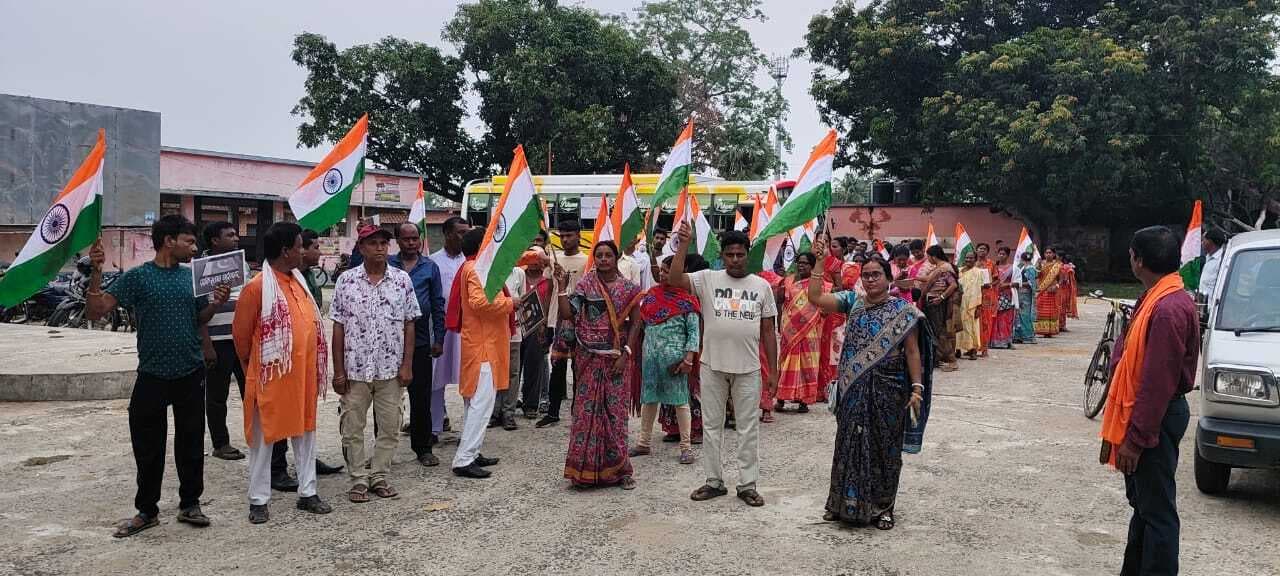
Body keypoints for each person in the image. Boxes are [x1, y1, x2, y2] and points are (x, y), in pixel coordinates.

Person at [87, 215, 229, 537]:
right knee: (148, 446)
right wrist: (96, 273)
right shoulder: (138, 278)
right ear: (169, 241)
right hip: (152, 374)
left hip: (190, 373)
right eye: (189, 241)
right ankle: (147, 511)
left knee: (191, 441)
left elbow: (199, 318)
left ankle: (190, 504)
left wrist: (215, 305)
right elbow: (97, 310)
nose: (194, 248)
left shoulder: (191, 278)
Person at [806, 244, 932, 530]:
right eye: (866, 275)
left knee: (884, 449)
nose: (871, 279)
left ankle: (884, 507)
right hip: (854, 389)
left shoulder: (903, 311)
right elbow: (815, 297)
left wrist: (917, 388)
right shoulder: (853, 301)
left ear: (889, 278)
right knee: (848, 443)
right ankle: (841, 503)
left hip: (890, 390)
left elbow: (913, 352)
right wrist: (819, 262)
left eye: (877, 274)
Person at [1101, 226, 1198, 575]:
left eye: (1131, 254)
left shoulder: (1168, 308)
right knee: (1143, 506)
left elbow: (1158, 381)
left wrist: (1137, 439)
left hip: (1153, 418)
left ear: (1139, 260)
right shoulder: (1156, 297)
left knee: (1157, 513)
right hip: (1147, 414)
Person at [668, 224, 778, 508]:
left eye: (740, 254)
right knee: (712, 426)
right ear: (722, 256)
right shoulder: (707, 279)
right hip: (712, 366)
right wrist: (683, 244)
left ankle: (747, 485)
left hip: (749, 369)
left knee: (748, 428)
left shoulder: (761, 286)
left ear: (748, 255)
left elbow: (768, 331)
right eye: (730, 254)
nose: (736, 259)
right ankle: (714, 482)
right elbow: (675, 277)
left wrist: (774, 372)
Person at [232, 223, 333, 523]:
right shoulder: (258, 287)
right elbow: (241, 338)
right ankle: (258, 500)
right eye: (301, 246)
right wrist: (255, 372)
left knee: (306, 435)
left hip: (303, 378)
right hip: (271, 379)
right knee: (264, 440)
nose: (304, 251)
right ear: (286, 251)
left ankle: (308, 492)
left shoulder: (298, 281)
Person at [331, 224, 420, 503]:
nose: (380, 247)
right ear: (361, 248)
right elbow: (338, 327)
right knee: (352, 427)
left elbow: (409, 324)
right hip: (355, 370)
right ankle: (358, 479)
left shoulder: (402, 280)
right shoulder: (346, 281)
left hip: (390, 369)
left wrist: (407, 364)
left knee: (390, 425)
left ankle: (379, 475)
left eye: (384, 243)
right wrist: (339, 371)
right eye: (373, 243)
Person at [553, 240, 642, 489]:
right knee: (586, 415)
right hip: (588, 358)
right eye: (599, 255)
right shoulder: (585, 285)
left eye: (608, 255)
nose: (603, 259)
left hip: (617, 359)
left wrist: (626, 354)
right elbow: (568, 314)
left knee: (615, 416)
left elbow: (636, 324)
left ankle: (621, 472)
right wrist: (561, 287)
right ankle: (584, 473)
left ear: (616, 258)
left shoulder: (629, 289)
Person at [449, 228, 514, 478]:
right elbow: (480, 303)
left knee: (473, 403)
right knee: (480, 404)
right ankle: (464, 459)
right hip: (483, 348)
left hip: (482, 345)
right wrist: (512, 304)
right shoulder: (477, 268)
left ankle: (472, 452)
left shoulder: (475, 267)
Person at [632, 254, 705, 465]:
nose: (662, 274)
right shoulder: (652, 296)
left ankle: (686, 447)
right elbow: (643, 325)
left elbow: (693, 333)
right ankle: (644, 443)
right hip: (651, 358)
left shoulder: (688, 299)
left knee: (681, 402)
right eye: (662, 270)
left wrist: (689, 359)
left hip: (676, 361)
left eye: (667, 270)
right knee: (649, 399)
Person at [389, 223, 446, 467]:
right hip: (390, 343)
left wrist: (439, 338)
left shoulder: (430, 267)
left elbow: (437, 304)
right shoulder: (388, 265)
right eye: (406, 239)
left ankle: (423, 447)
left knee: (420, 397)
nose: (411, 243)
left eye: (415, 238)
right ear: (398, 241)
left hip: (422, 342)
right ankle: (384, 451)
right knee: (387, 399)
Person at [200, 221, 250, 462]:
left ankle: (257, 436)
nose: (236, 239)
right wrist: (206, 345)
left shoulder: (242, 267)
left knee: (249, 392)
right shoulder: (199, 269)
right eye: (230, 235)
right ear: (214, 241)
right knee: (217, 395)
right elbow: (197, 312)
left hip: (241, 339)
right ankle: (221, 443)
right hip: (216, 341)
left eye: (236, 234)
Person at [538, 220, 589, 428]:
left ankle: (579, 412)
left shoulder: (587, 261)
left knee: (579, 368)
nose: (565, 239)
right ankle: (552, 412)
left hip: (579, 320)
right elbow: (548, 289)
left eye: (569, 235)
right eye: (562, 236)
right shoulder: (553, 261)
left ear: (578, 235)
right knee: (557, 366)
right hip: (556, 320)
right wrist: (543, 319)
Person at [431, 217, 471, 436]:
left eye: (467, 232)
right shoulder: (432, 261)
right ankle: (435, 428)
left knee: (469, 380)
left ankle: (469, 432)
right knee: (436, 381)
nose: (465, 237)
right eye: (461, 233)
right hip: (441, 329)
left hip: (466, 330)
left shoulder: (472, 262)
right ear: (447, 234)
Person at [774, 252, 828, 413]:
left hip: (809, 330)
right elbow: (781, 302)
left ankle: (803, 400)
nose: (801, 265)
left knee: (807, 363)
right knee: (786, 362)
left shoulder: (818, 284)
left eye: (805, 263)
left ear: (812, 266)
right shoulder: (789, 281)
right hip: (789, 328)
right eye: (799, 262)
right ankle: (782, 399)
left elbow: (823, 305)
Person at [494, 247, 527, 431]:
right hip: (495, 330)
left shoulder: (519, 273)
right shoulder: (491, 273)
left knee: (513, 373)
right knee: (495, 371)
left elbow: (522, 301)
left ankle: (509, 412)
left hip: (514, 330)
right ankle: (494, 412)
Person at [517, 248, 552, 419]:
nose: (533, 262)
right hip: (516, 326)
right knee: (514, 366)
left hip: (537, 327)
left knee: (535, 365)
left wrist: (544, 326)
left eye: (537, 258)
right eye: (529, 257)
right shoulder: (518, 275)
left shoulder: (548, 281)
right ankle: (509, 403)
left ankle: (531, 404)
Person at [919, 246, 958, 371]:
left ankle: (952, 360)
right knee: (933, 332)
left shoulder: (944, 268)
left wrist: (941, 297)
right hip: (933, 302)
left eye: (928, 256)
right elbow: (932, 280)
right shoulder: (939, 268)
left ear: (933, 256)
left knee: (940, 332)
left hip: (936, 303)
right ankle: (936, 359)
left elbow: (953, 285)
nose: (928, 259)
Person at [956, 251, 985, 360]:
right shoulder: (959, 271)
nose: (968, 260)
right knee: (958, 327)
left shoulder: (979, 272)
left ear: (975, 259)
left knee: (972, 327)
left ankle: (973, 350)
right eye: (967, 258)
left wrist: (979, 306)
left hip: (972, 304)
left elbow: (981, 290)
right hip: (959, 303)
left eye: (971, 258)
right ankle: (957, 349)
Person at [989, 247, 1017, 350]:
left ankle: (1006, 341)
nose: (1001, 256)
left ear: (1008, 255)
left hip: (1007, 296)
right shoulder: (993, 266)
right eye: (999, 254)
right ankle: (993, 341)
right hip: (994, 295)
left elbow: (1017, 282)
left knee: (1006, 319)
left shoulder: (1012, 268)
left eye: (1003, 254)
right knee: (994, 318)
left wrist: (1007, 285)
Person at [975, 243, 998, 356]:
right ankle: (973, 347)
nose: (982, 251)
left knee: (985, 321)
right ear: (976, 250)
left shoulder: (991, 264)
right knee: (974, 321)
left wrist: (990, 285)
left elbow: (996, 280)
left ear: (987, 252)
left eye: (984, 249)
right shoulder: (973, 263)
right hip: (974, 295)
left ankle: (984, 349)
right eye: (980, 249)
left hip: (987, 296)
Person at [1035, 247, 1063, 337]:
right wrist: (1038, 266)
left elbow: (1062, 278)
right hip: (1042, 290)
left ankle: (1050, 331)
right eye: (1046, 253)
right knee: (1042, 310)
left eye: (1050, 253)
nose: (1048, 254)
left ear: (1054, 254)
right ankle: (1042, 330)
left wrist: (1056, 286)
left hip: (1052, 290)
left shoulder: (1058, 265)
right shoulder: (1041, 264)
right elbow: (1037, 276)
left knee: (1051, 311)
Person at [1013, 251, 1038, 344]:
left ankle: (1027, 335)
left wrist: (1019, 284)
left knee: (1024, 315)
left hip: (1025, 294)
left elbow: (1031, 283)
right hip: (1020, 294)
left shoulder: (1030, 269)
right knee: (1018, 314)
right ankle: (1018, 335)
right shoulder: (1022, 267)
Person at [1198, 229, 1226, 299]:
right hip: (1202, 303)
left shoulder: (1222, 261)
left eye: (1203, 240)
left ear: (1210, 242)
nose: (1202, 243)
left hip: (1212, 306)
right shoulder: (1208, 257)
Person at [301, 230, 325, 308]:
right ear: (303, 250)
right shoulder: (292, 277)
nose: (320, 253)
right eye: (316, 248)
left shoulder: (310, 273)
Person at [1059, 253, 1078, 329]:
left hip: (1062, 289)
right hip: (1067, 289)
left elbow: (1065, 279)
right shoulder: (1069, 267)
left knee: (1061, 307)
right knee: (1063, 307)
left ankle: (1060, 325)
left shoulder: (1064, 267)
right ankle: (1062, 325)